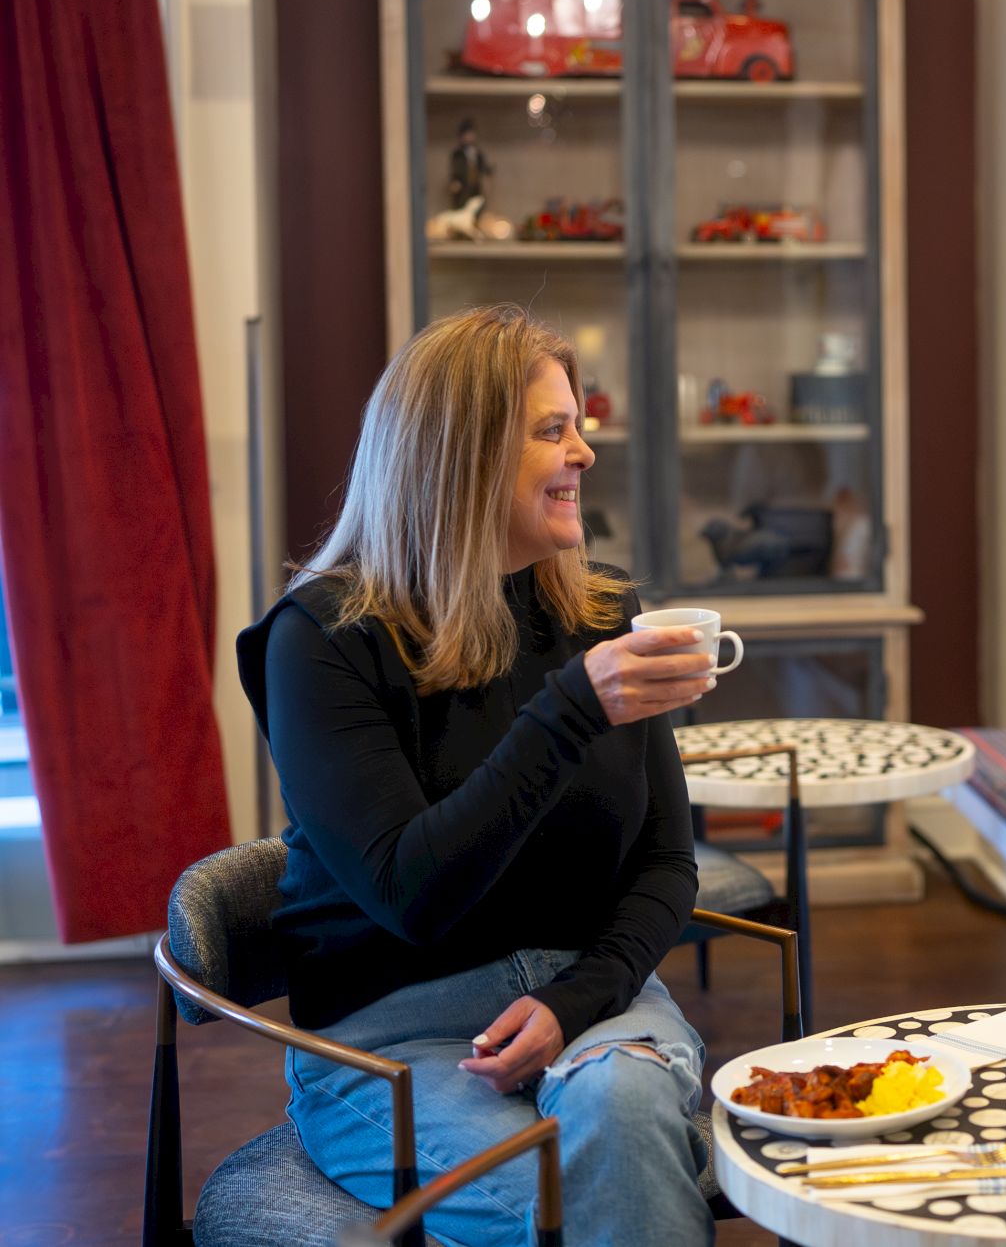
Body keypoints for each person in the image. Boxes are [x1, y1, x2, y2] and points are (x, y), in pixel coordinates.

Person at [237, 305, 719, 1245]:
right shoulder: (323, 640)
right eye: (552, 430)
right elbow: (411, 894)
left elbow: (668, 862)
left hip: (594, 998)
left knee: (619, 1118)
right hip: (393, 1039)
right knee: (585, 1198)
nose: (584, 451)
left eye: (579, 426)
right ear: (458, 457)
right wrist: (573, 706)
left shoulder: (603, 608)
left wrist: (576, 998)